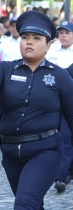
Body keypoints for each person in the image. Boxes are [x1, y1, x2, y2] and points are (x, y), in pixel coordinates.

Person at [0, 11, 73, 209]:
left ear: (48, 45)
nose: (29, 42)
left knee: (24, 204)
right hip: (11, 152)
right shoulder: (5, 69)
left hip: (45, 150)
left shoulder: (60, 77)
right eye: (25, 37)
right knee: (33, 204)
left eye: (36, 38)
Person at [45, 21, 73, 192]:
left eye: (67, 32)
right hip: (55, 99)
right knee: (63, 136)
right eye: (60, 32)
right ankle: (61, 175)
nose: (62, 35)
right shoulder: (52, 50)